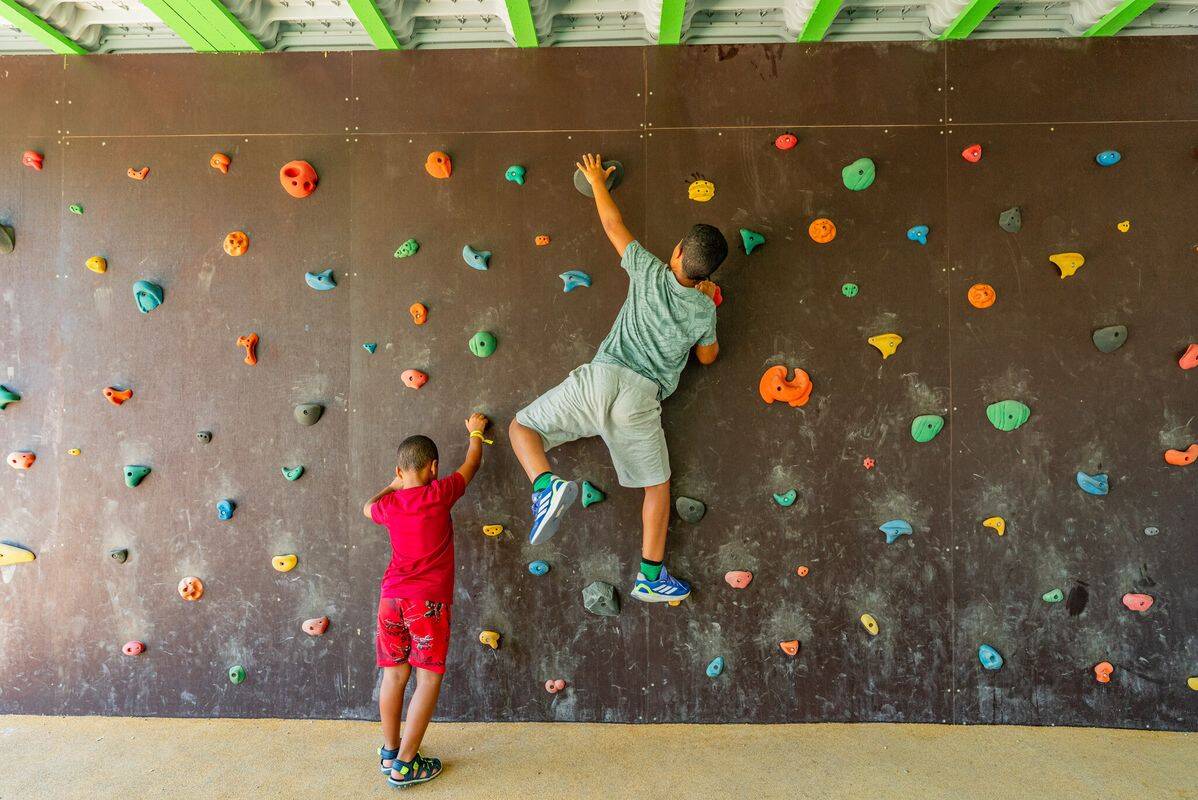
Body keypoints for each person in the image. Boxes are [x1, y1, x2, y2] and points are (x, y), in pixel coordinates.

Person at [508, 152, 726, 603]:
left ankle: (546, 486)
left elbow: (612, 226)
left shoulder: (649, 271)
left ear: (678, 253)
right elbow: (708, 357)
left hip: (601, 378)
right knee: (657, 488)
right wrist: (708, 305)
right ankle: (650, 574)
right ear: (707, 275)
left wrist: (597, 181)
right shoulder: (704, 309)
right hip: (641, 401)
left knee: (522, 428)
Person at [362, 412, 489, 788]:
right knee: (428, 676)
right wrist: (476, 432)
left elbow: (366, 506)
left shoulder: (390, 506)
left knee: (394, 674)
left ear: (400, 471)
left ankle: (389, 752)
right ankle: (406, 763)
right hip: (427, 603)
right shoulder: (440, 492)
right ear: (433, 467)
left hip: (390, 600)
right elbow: (473, 463)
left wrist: (392, 485)